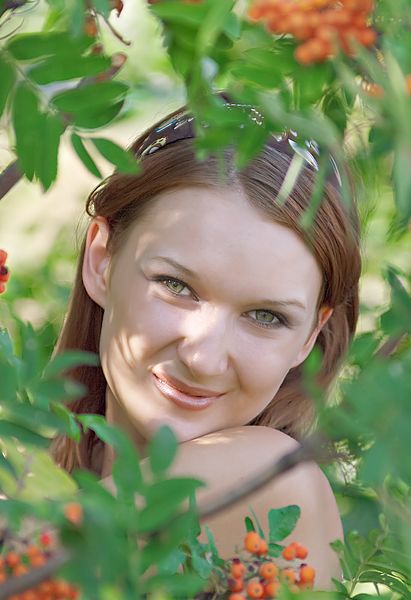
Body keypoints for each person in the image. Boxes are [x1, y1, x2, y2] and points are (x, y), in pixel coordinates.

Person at [48, 91, 362, 589]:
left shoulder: (278, 485)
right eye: (177, 286)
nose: (203, 356)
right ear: (102, 260)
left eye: (266, 316)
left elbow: (20, 553)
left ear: (311, 336)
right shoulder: (5, 471)